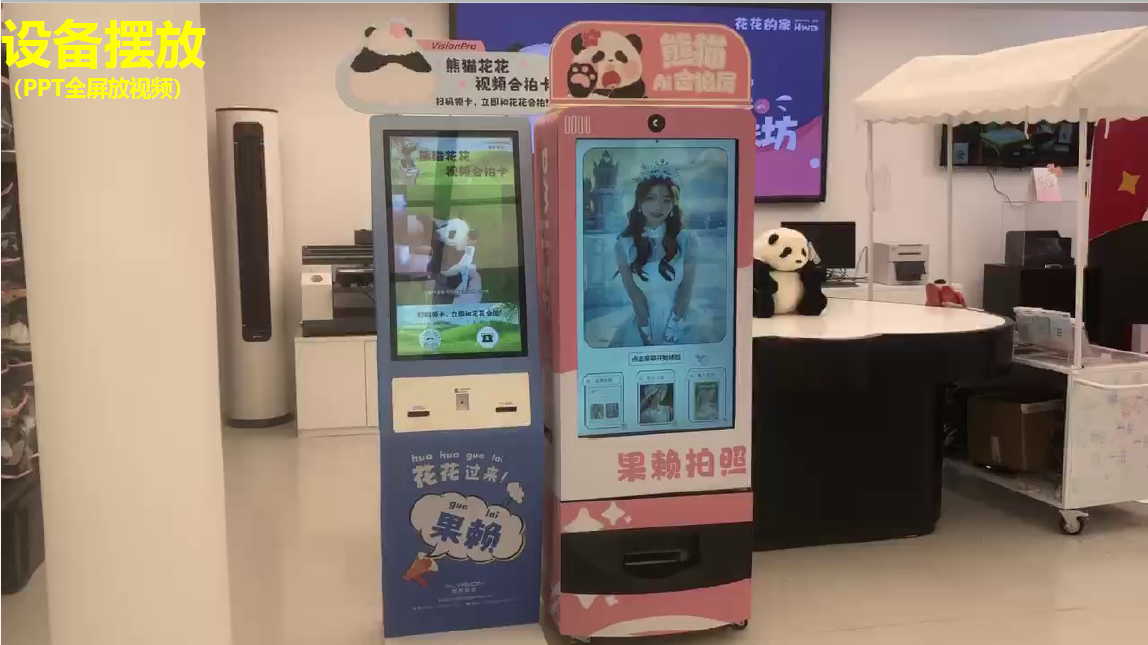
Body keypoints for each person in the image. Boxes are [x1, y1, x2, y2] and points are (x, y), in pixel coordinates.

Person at [613, 160, 698, 346]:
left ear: (673, 205)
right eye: (651, 198)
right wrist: (646, 334)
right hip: (643, 322)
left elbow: (685, 292)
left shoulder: (687, 240)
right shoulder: (624, 245)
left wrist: (672, 330)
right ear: (639, 202)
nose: (658, 207)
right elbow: (636, 297)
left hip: (681, 322)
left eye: (666, 200)